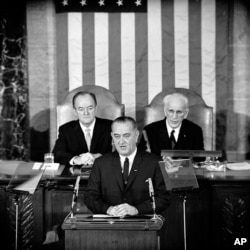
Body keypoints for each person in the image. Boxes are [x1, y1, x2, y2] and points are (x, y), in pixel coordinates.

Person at [84, 116, 171, 217]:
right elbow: (89, 197)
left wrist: (136, 209)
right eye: (117, 136)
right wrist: (108, 209)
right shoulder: (100, 163)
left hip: (143, 225)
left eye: (126, 136)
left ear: (136, 135)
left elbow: (165, 198)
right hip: (109, 225)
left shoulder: (156, 162)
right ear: (112, 136)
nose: (121, 141)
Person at [52, 91, 113, 167]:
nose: (86, 113)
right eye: (81, 109)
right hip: (74, 176)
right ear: (75, 111)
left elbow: (120, 152)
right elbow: (57, 154)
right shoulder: (66, 129)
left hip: (105, 175)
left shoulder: (111, 126)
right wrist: (76, 159)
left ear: (96, 108)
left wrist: (98, 156)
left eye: (90, 108)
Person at [138, 93, 204, 157]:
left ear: (186, 113)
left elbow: (200, 160)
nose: (174, 116)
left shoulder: (195, 131)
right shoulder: (149, 130)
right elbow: (140, 158)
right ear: (165, 111)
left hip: (185, 168)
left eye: (179, 112)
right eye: (171, 111)